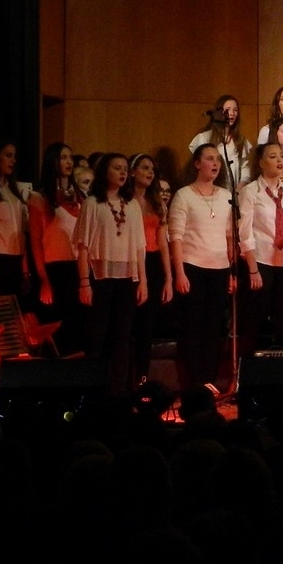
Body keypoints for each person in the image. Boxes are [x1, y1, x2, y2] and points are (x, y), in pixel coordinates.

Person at [75, 152, 148, 395]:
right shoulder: (92, 203)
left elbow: (140, 247)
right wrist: (84, 282)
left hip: (127, 278)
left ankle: (120, 391)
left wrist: (143, 281)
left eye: (125, 168)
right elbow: (83, 246)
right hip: (100, 277)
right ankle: (93, 391)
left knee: (122, 337)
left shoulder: (133, 205)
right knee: (97, 336)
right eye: (117, 168)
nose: (123, 172)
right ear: (105, 171)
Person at [169, 144, 235, 393]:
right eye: (209, 158)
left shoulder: (226, 195)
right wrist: (179, 273)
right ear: (197, 164)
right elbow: (176, 236)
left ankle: (209, 380)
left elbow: (230, 236)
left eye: (217, 159)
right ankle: (194, 383)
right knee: (193, 327)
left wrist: (231, 272)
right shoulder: (184, 195)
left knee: (214, 327)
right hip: (192, 267)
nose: (215, 163)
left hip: (219, 268)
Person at [237, 141, 283, 353]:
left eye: (281, 156)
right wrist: (253, 269)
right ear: (261, 162)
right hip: (260, 261)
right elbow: (245, 232)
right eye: (273, 156)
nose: (279, 160)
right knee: (254, 319)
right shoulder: (250, 192)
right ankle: (248, 365)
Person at [29, 142, 84, 352]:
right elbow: (36, 243)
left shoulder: (80, 197)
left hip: (78, 267)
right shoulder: (40, 198)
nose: (69, 162)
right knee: (57, 325)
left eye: (70, 157)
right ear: (53, 162)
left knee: (76, 323)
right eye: (63, 157)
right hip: (54, 269)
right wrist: (44, 280)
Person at [129, 155, 174, 386]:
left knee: (147, 326)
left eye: (152, 170)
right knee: (129, 325)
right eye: (145, 168)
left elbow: (163, 242)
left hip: (153, 262)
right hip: (130, 262)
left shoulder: (156, 202)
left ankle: (142, 378)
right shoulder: (125, 201)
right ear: (132, 171)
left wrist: (168, 278)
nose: (150, 173)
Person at [0, 141, 31, 297]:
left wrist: (25, 270)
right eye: (8, 155)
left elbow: (22, 233)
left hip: (17, 258)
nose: (13, 160)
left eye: (14, 156)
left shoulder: (13, 189)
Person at [189, 95, 253, 187]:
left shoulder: (241, 141)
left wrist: (239, 188)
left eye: (235, 110)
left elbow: (245, 168)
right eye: (228, 109)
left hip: (234, 191)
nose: (232, 113)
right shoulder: (204, 138)